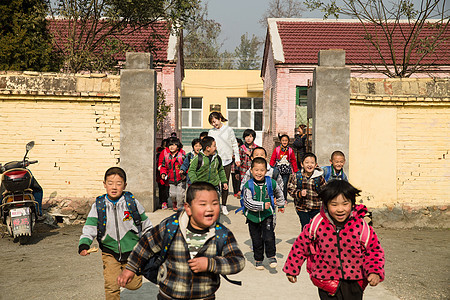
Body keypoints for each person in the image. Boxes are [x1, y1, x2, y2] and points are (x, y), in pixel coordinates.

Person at [117, 182, 245, 299]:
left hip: (204, 297)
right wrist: (131, 268)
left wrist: (211, 264)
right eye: (203, 204)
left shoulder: (221, 234)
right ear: (188, 208)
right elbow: (145, 245)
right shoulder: (171, 227)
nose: (210, 208)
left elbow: (238, 261)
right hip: (169, 295)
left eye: (215, 203)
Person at [283, 180, 385, 299]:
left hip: (355, 281)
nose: (340, 209)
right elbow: (300, 246)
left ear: (352, 204)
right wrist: (292, 268)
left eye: (345, 203)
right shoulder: (317, 223)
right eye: (334, 204)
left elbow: (374, 250)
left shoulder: (361, 226)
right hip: (325, 280)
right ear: (326, 205)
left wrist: (374, 271)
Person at [78, 167, 152, 300]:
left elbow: (146, 225)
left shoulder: (132, 203)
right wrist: (84, 244)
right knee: (111, 286)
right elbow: (90, 226)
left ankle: (125, 275)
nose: (114, 187)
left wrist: (151, 244)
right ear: (104, 184)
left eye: (118, 183)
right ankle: (114, 281)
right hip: (109, 252)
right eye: (110, 183)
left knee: (134, 285)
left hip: (132, 252)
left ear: (125, 185)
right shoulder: (99, 206)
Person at [242, 157, 285, 270]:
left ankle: (271, 256)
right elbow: (247, 202)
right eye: (256, 170)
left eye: (262, 170)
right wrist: (261, 205)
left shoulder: (271, 182)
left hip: (267, 215)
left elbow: (279, 192)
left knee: (269, 236)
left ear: (266, 171)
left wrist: (280, 204)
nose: (259, 173)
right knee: (256, 240)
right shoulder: (248, 185)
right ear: (251, 171)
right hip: (252, 217)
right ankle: (258, 259)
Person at [208, 112, 241, 215]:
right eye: (212, 123)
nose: (214, 124)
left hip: (227, 160)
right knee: (215, 184)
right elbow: (208, 145)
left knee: (225, 184)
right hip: (215, 161)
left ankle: (224, 205)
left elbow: (234, 144)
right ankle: (215, 205)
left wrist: (237, 157)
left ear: (219, 119)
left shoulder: (228, 130)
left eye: (215, 121)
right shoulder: (211, 132)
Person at [287, 152, 326, 229]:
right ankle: (305, 240)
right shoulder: (297, 176)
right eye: (307, 162)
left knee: (316, 226)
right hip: (301, 207)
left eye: (312, 163)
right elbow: (290, 189)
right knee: (305, 226)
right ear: (302, 164)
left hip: (316, 207)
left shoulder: (319, 177)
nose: (309, 165)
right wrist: (299, 193)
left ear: (316, 165)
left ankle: (315, 240)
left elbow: (325, 190)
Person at [269, 134, 298, 201]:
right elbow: (273, 159)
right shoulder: (277, 149)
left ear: (288, 141)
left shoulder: (290, 150)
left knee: (285, 184)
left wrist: (295, 170)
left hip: (286, 170)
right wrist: (270, 167)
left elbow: (293, 160)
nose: (284, 142)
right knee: (277, 184)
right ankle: (276, 197)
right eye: (283, 140)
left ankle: (284, 199)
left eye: (286, 140)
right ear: (280, 141)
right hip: (278, 169)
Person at [160, 137, 186, 211]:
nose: (172, 147)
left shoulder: (182, 156)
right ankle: (174, 202)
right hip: (171, 179)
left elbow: (186, 166)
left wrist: (184, 173)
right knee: (172, 195)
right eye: (170, 145)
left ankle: (180, 206)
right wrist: (163, 173)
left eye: (174, 145)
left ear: (178, 147)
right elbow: (163, 167)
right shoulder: (167, 157)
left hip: (180, 179)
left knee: (180, 195)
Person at [156, 138, 169, 209]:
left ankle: (165, 200)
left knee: (167, 189)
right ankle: (163, 201)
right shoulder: (161, 153)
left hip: (169, 175)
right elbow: (159, 163)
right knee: (162, 189)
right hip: (161, 174)